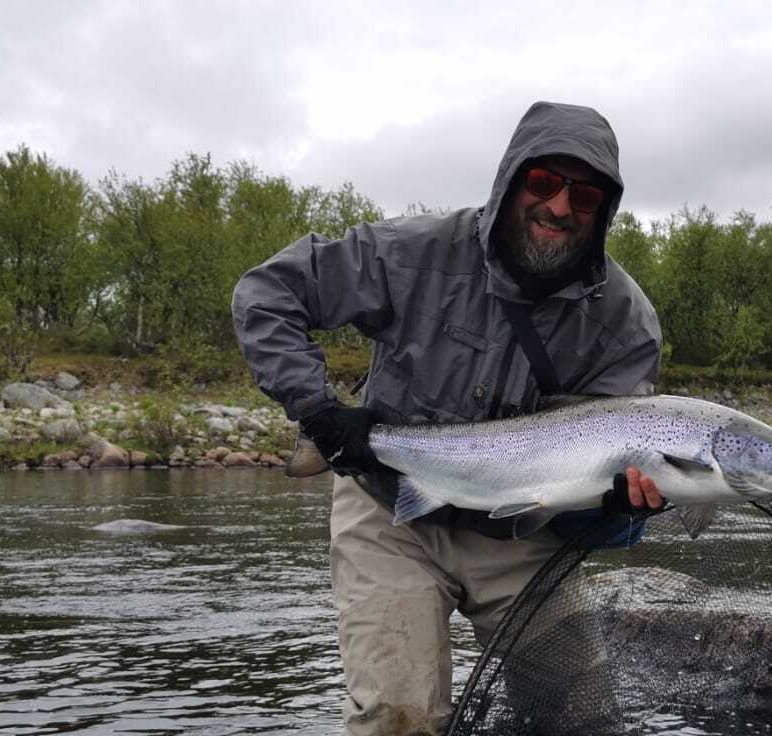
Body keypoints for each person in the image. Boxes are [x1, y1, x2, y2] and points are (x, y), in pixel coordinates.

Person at [232, 100, 665, 735]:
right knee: (396, 718)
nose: (560, 208)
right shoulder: (412, 253)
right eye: (544, 183)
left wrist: (618, 515)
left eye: (586, 196)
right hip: (389, 514)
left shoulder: (625, 324)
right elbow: (268, 293)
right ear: (512, 180)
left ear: (605, 211)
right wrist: (320, 413)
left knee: (581, 719)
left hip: (520, 537)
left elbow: (588, 511)